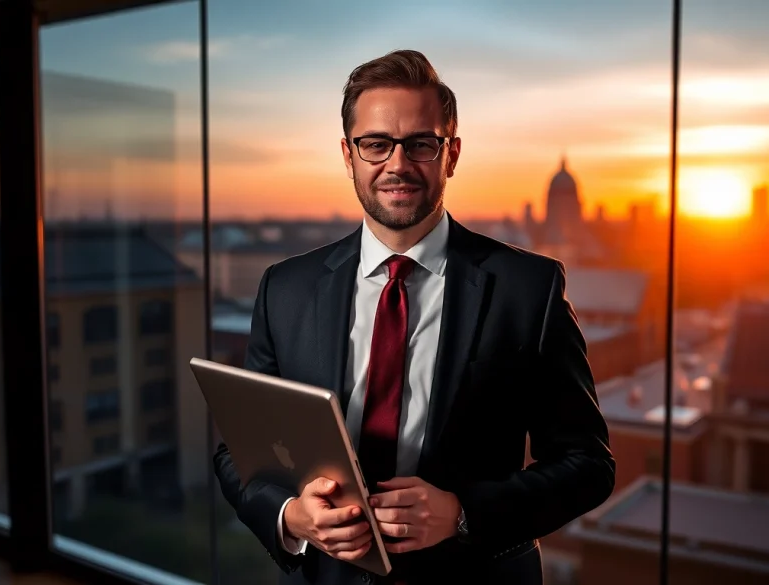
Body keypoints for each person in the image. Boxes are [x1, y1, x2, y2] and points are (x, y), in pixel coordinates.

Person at [214, 49, 615, 585]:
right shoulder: (284, 289)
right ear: (348, 154)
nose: (397, 164)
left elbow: (587, 464)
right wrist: (291, 515)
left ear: (450, 155)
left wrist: (464, 512)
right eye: (376, 144)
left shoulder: (528, 289)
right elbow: (239, 452)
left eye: (420, 144)